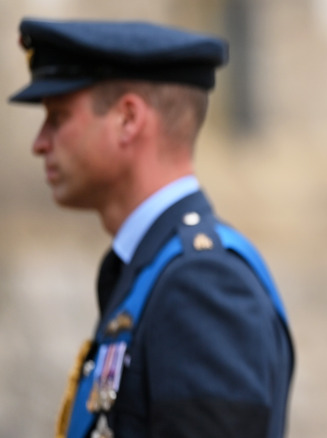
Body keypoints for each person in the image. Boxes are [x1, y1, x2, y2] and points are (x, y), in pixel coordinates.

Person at [9, 18, 293, 438]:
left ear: (128, 119)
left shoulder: (202, 284)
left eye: (58, 117)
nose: (40, 142)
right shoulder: (153, 268)